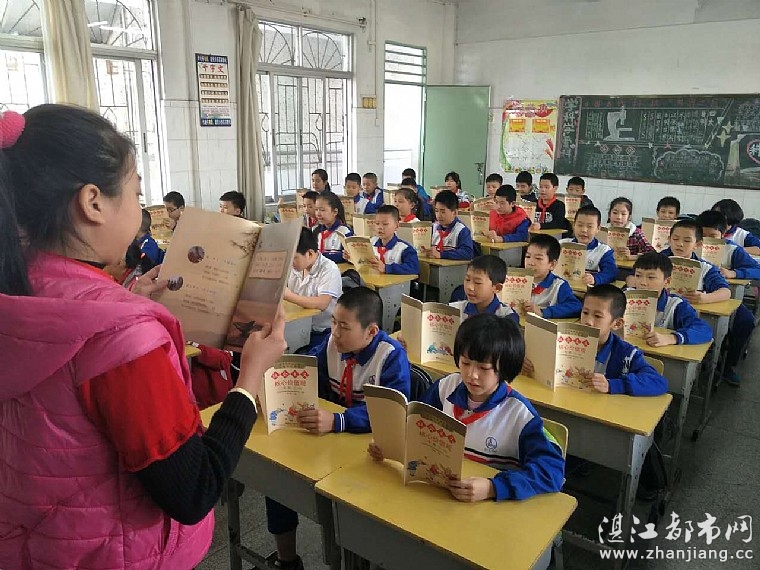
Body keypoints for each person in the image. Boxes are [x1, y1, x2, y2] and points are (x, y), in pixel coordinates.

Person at [0, 105, 287, 569]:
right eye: (136, 193)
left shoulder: (18, 286)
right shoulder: (122, 336)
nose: (140, 209)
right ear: (93, 202)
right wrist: (249, 380)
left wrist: (126, 298)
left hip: (40, 542)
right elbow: (194, 490)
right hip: (114, 554)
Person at [265, 287, 410, 569]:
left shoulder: (391, 357)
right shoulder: (332, 345)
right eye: (333, 322)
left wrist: (339, 420)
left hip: (372, 451)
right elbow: (309, 377)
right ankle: (287, 559)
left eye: (344, 326)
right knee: (278, 479)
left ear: (371, 331)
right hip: (332, 443)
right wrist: (275, 390)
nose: (335, 332)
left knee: (355, 517)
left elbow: (391, 414)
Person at [371, 314, 565, 501]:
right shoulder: (446, 387)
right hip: (436, 494)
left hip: (487, 507)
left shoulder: (519, 415)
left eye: (483, 368)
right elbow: (413, 428)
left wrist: (493, 488)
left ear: (505, 367)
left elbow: (552, 472)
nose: (472, 375)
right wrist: (390, 447)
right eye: (465, 363)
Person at [523, 285, 668, 396]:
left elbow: (659, 382)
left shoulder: (626, 353)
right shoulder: (559, 341)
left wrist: (612, 385)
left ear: (617, 323)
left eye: (598, 316)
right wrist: (523, 365)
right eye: (585, 313)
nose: (588, 321)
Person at [695, 210, 759, 385]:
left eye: (713, 236)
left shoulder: (732, 249)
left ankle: (727, 365)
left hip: (723, 299)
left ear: (723, 234)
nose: (707, 240)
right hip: (690, 298)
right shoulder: (689, 245)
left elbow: (757, 270)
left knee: (746, 321)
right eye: (702, 235)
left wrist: (735, 273)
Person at [631, 253, 713, 347]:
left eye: (651, 277)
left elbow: (704, 330)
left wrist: (672, 338)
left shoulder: (676, 305)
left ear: (667, 281)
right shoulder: (624, 297)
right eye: (638, 275)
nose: (642, 283)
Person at [284, 228, 343, 351]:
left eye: (294, 257)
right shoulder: (295, 268)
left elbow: (322, 303)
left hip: (321, 330)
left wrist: (288, 295)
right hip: (298, 324)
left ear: (310, 253)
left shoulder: (329, 269)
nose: (291, 262)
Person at [522, 234, 582, 319]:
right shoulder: (516, 280)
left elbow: (576, 307)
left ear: (552, 265)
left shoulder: (558, 285)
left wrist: (544, 312)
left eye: (538, 258)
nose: (530, 263)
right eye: (528, 256)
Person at [448, 255, 518, 322]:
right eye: (467, 279)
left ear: (497, 288)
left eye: (478, 283)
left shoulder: (507, 317)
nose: (470, 287)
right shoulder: (453, 311)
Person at [560, 206, 618, 285]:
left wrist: (595, 279)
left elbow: (611, 273)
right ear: (574, 225)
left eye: (589, 226)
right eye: (580, 225)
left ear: (598, 229)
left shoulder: (604, 251)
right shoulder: (561, 245)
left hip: (587, 290)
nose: (584, 230)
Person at [420, 189, 474, 260]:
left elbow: (467, 253)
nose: (439, 215)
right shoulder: (432, 228)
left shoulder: (461, 230)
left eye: (443, 212)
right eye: (436, 211)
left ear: (455, 212)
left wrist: (442, 254)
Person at [367, 205, 419, 275]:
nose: (380, 227)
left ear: (396, 226)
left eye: (385, 224)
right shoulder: (370, 243)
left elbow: (414, 268)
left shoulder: (404, 248)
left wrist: (387, 268)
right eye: (377, 223)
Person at [313, 192, 352, 264]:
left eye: (322, 210)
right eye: (316, 209)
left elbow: (345, 257)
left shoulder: (344, 231)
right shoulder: (316, 231)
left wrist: (319, 256)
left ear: (335, 212)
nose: (318, 214)